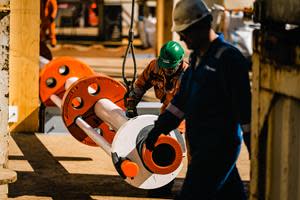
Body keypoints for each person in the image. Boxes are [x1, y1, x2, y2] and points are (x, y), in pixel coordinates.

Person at [145, 0, 251, 199]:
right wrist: (159, 128)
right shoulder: (195, 60)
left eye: (186, 33)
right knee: (231, 195)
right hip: (200, 145)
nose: (183, 40)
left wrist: (254, 149)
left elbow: (245, 113)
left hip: (218, 149)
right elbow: (181, 102)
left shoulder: (229, 59)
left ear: (203, 25)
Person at [125, 40, 189, 197]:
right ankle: (161, 188)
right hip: (168, 112)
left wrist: (165, 125)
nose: (166, 71)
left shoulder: (188, 75)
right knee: (162, 147)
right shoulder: (155, 67)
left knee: (174, 148)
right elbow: (140, 85)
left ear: (180, 61)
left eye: (171, 68)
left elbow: (181, 107)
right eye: (164, 67)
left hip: (187, 116)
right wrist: (132, 102)